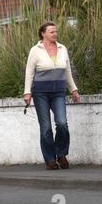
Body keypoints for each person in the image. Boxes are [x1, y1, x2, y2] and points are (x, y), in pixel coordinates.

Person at [24, 22, 80, 170]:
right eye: (51, 32)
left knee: (62, 123)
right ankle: (50, 159)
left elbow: (67, 71)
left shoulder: (62, 49)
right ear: (43, 34)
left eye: (56, 31)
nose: (55, 34)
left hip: (58, 92)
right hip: (40, 93)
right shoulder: (35, 50)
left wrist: (73, 89)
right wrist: (27, 92)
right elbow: (29, 72)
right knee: (46, 127)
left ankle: (61, 154)